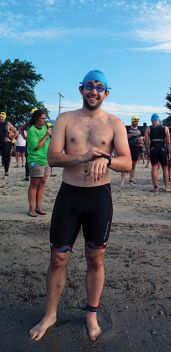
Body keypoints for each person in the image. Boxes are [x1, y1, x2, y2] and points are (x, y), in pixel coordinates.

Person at [29, 69, 131, 342]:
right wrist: (84, 156)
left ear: (106, 93)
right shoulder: (65, 119)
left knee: (95, 259)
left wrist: (106, 160)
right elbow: (52, 158)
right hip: (69, 196)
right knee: (58, 258)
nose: (93, 91)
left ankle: (91, 314)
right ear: (81, 89)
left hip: (99, 198)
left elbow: (127, 162)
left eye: (99, 87)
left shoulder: (114, 123)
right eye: (89, 86)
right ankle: (50, 314)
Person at [27, 110, 52, 217]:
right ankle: (31, 209)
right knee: (34, 184)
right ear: (36, 119)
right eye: (42, 118)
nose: (44, 120)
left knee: (43, 183)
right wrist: (46, 135)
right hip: (35, 160)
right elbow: (36, 146)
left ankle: (38, 207)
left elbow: (49, 144)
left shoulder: (45, 127)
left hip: (45, 160)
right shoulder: (31, 130)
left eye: (45, 118)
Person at [145, 113, 171, 192]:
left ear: (152, 120)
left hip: (153, 148)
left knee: (154, 167)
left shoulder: (148, 128)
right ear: (158, 120)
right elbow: (168, 142)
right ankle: (167, 187)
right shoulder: (165, 128)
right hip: (162, 149)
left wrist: (147, 151)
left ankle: (155, 187)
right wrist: (169, 152)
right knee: (165, 168)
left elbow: (146, 142)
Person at [120, 115, 141, 186]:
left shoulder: (140, 129)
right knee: (125, 165)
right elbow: (124, 136)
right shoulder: (127, 128)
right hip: (127, 148)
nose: (136, 122)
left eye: (137, 121)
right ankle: (122, 181)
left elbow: (143, 137)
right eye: (135, 121)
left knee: (133, 165)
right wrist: (133, 134)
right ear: (132, 121)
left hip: (136, 148)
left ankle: (131, 180)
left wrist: (141, 139)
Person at [21, 107, 38, 181]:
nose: (32, 116)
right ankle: (27, 175)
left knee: (36, 158)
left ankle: (34, 174)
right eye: (32, 114)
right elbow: (22, 128)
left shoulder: (42, 123)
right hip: (30, 143)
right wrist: (24, 137)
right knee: (29, 158)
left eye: (33, 114)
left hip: (38, 143)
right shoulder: (30, 122)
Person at [0, 111, 18, 179]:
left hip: (6, 143)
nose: (0, 118)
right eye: (0, 117)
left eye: (2, 117)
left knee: (6, 158)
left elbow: (16, 132)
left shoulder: (8, 123)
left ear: (4, 117)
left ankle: (6, 173)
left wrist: (12, 139)